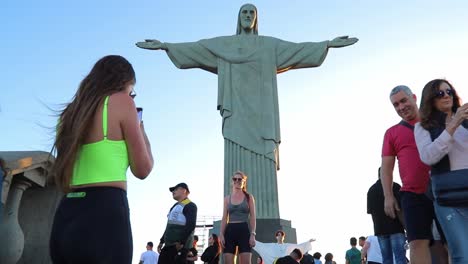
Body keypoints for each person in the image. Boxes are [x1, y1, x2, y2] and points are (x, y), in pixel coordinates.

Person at [136, 3, 358, 220]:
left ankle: (266, 215)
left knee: (265, 155)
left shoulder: (269, 45)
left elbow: (298, 49)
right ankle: (233, 216)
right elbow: (197, 48)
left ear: (256, 18)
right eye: (244, 11)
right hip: (236, 113)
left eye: (252, 12)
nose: (248, 15)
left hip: (263, 114)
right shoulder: (224, 45)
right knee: (235, 156)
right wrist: (165, 46)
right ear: (238, 17)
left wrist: (327, 44)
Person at [49, 55, 154, 264]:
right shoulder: (122, 102)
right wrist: (141, 128)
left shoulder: (68, 114)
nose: (130, 95)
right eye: (131, 90)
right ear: (125, 83)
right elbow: (143, 169)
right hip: (105, 212)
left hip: (66, 213)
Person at [414, 78, 468, 263]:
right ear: (430, 99)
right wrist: (452, 126)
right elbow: (428, 157)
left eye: (449, 91)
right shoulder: (422, 127)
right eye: (440, 93)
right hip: (448, 200)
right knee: (462, 254)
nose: (446, 96)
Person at [381, 85, 435, 264]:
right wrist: (388, 196)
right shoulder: (391, 133)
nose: (401, 107)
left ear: (413, 97)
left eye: (403, 101)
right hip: (412, 195)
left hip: (441, 188)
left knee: (445, 242)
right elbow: (387, 168)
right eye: (396, 105)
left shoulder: (435, 122)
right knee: (417, 242)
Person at [367, 167, 406, 264]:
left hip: (380, 230)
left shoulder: (371, 190)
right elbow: (401, 209)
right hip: (396, 228)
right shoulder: (396, 187)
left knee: (386, 259)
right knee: (400, 258)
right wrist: (406, 226)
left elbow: (370, 211)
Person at [219, 171, 256, 264]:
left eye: (240, 179)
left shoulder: (249, 197)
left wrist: (253, 234)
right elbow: (224, 218)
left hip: (243, 230)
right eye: (235, 179)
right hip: (230, 230)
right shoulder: (227, 198)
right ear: (232, 181)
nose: (237, 181)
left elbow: (253, 217)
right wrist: (221, 234)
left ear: (243, 182)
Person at [157, 183, 197, 264]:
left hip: (180, 248)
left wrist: (181, 243)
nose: (173, 192)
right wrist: (162, 241)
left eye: (176, 189)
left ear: (184, 190)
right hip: (168, 246)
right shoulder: (174, 206)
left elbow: (191, 225)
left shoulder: (190, 205)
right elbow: (169, 226)